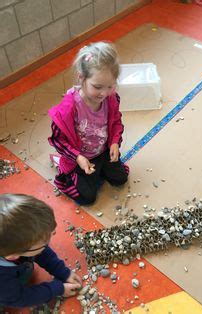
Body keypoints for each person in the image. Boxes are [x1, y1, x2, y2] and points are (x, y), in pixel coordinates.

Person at [48, 41, 129, 205]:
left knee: (121, 178)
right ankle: (61, 165)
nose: (104, 93)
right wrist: (77, 157)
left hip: (102, 151)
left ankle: (97, 171)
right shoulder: (68, 109)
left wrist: (114, 142)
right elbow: (58, 139)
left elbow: (116, 123)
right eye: (98, 87)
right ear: (81, 77)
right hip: (79, 157)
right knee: (87, 197)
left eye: (110, 86)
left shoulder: (111, 99)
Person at [0, 194, 82, 308]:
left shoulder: (14, 246)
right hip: (6, 291)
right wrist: (57, 289)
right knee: (9, 295)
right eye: (44, 244)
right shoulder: (3, 279)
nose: (47, 244)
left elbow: (41, 252)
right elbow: (20, 298)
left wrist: (62, 271)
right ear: (13, 256)